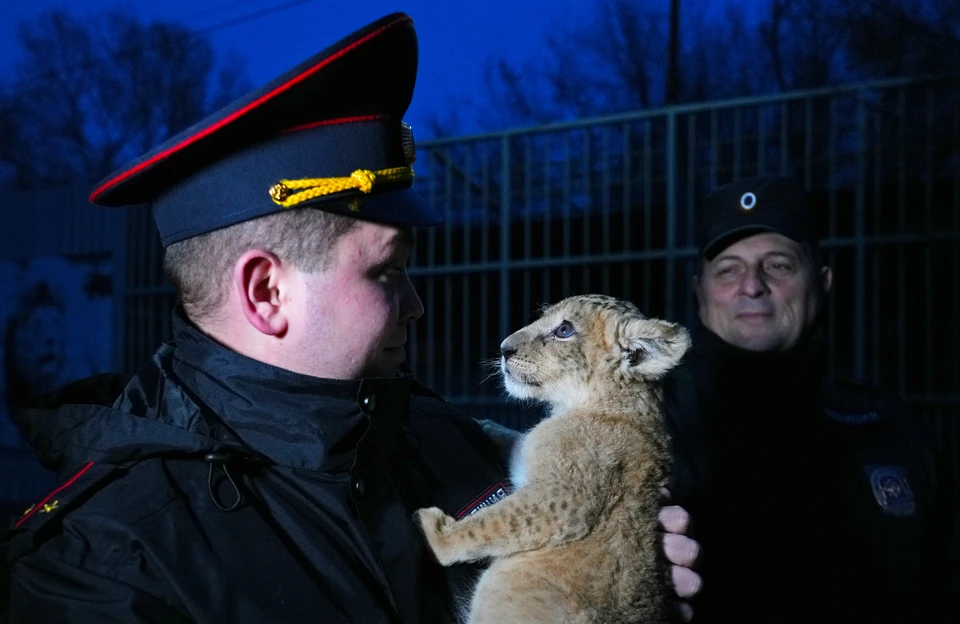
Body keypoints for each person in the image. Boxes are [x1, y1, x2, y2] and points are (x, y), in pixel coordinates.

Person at [0, 13, 700, 623]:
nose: (417, 303)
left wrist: (619, 582)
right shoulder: (106, 566)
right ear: (267, 293)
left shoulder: (440, 437)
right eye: (387, 270)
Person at [665, 175, 960, 621]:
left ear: (822, 282)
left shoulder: (890, 426)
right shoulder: (653, 423)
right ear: (698, 292)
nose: (752, 285)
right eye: (728, 269)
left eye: (778, 265)